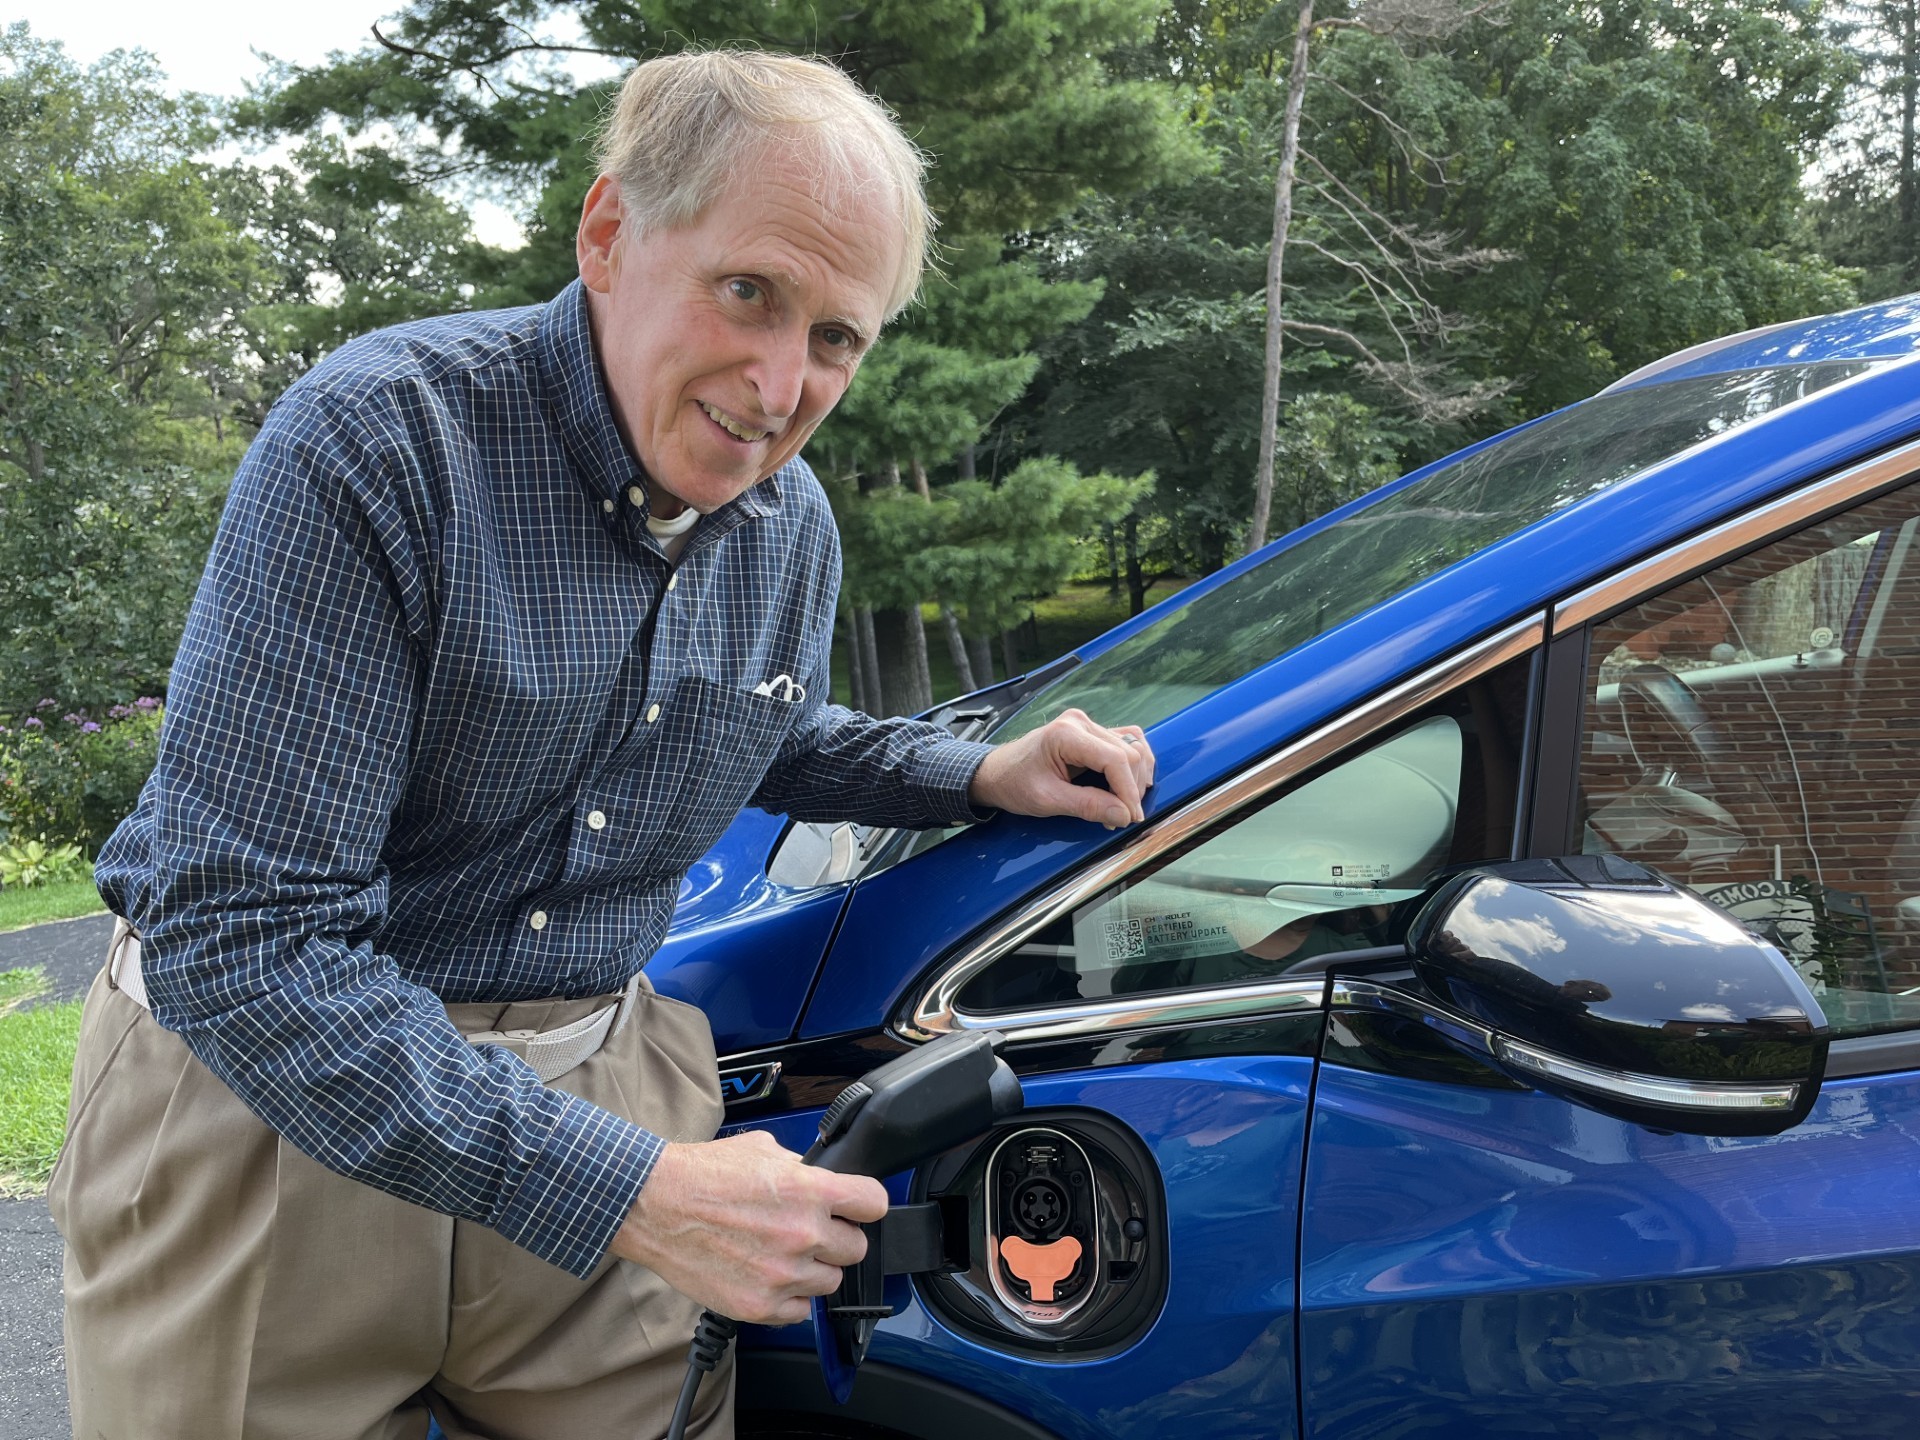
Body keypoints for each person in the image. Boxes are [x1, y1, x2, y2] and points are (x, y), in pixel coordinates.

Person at [51, 50, 1155, 1440]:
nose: (777, 384)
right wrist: (633, 1191)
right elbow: (246, 935)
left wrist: (961, 771)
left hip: (597, 1080)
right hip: (262, 1112)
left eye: (835, 337)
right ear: (609, 236)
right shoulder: (382, 439)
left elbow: (744, 721)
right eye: (749, 291)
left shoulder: (788, 523)